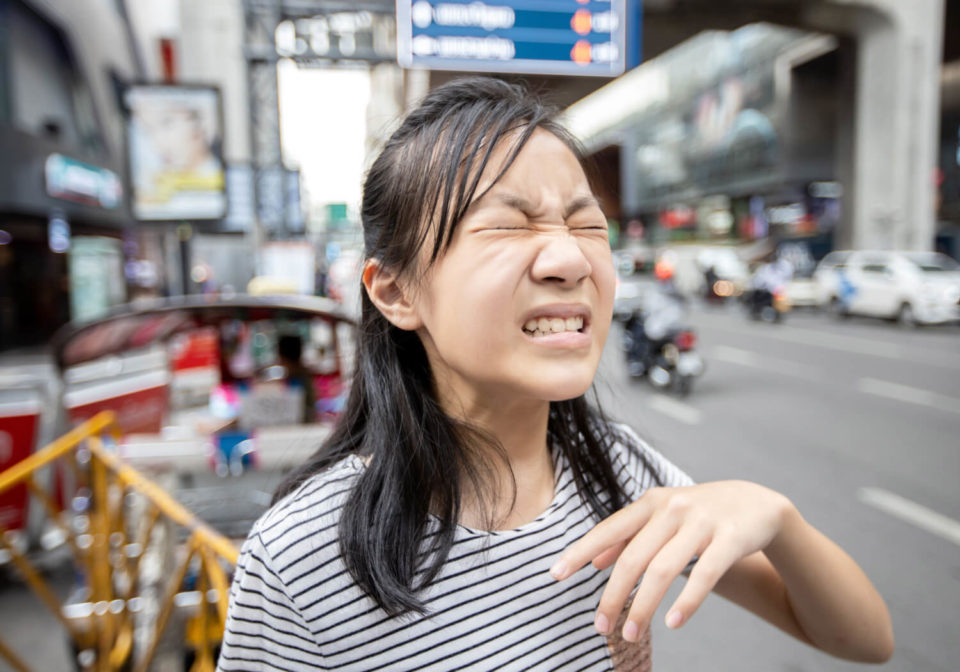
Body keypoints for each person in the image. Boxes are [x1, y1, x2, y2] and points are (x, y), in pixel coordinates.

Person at [216, 78, 893, 671]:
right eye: (507, 227)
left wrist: (777, 519)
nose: (568, 259)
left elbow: (863, 640)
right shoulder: (299, 557)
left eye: (587, 225)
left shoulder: (619, 473)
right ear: (395, 293)